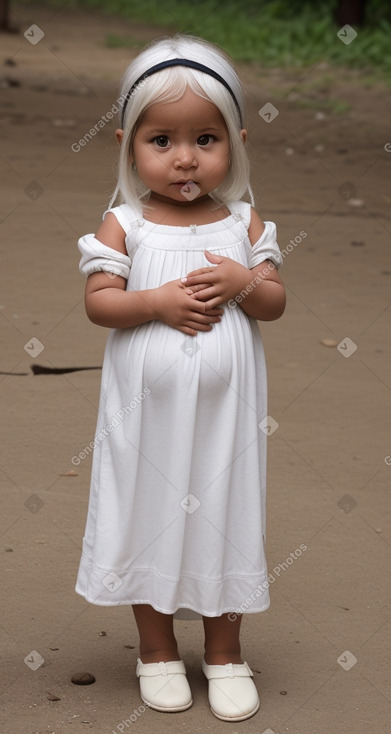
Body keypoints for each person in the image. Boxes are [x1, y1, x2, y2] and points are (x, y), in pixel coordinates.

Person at [76, 33, 286, 722]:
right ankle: (156, 648)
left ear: (236, 141)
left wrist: (242, 281)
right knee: (150, 511)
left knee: (226, 515)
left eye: (205, 138)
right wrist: (156, 302)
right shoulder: (124, 225)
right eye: (160, 140)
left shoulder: (242, 222)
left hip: (227, 420)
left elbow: (275, 303)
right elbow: (100, 303)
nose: (185, 157)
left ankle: (225, 651)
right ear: (127, 144)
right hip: (147, 417)